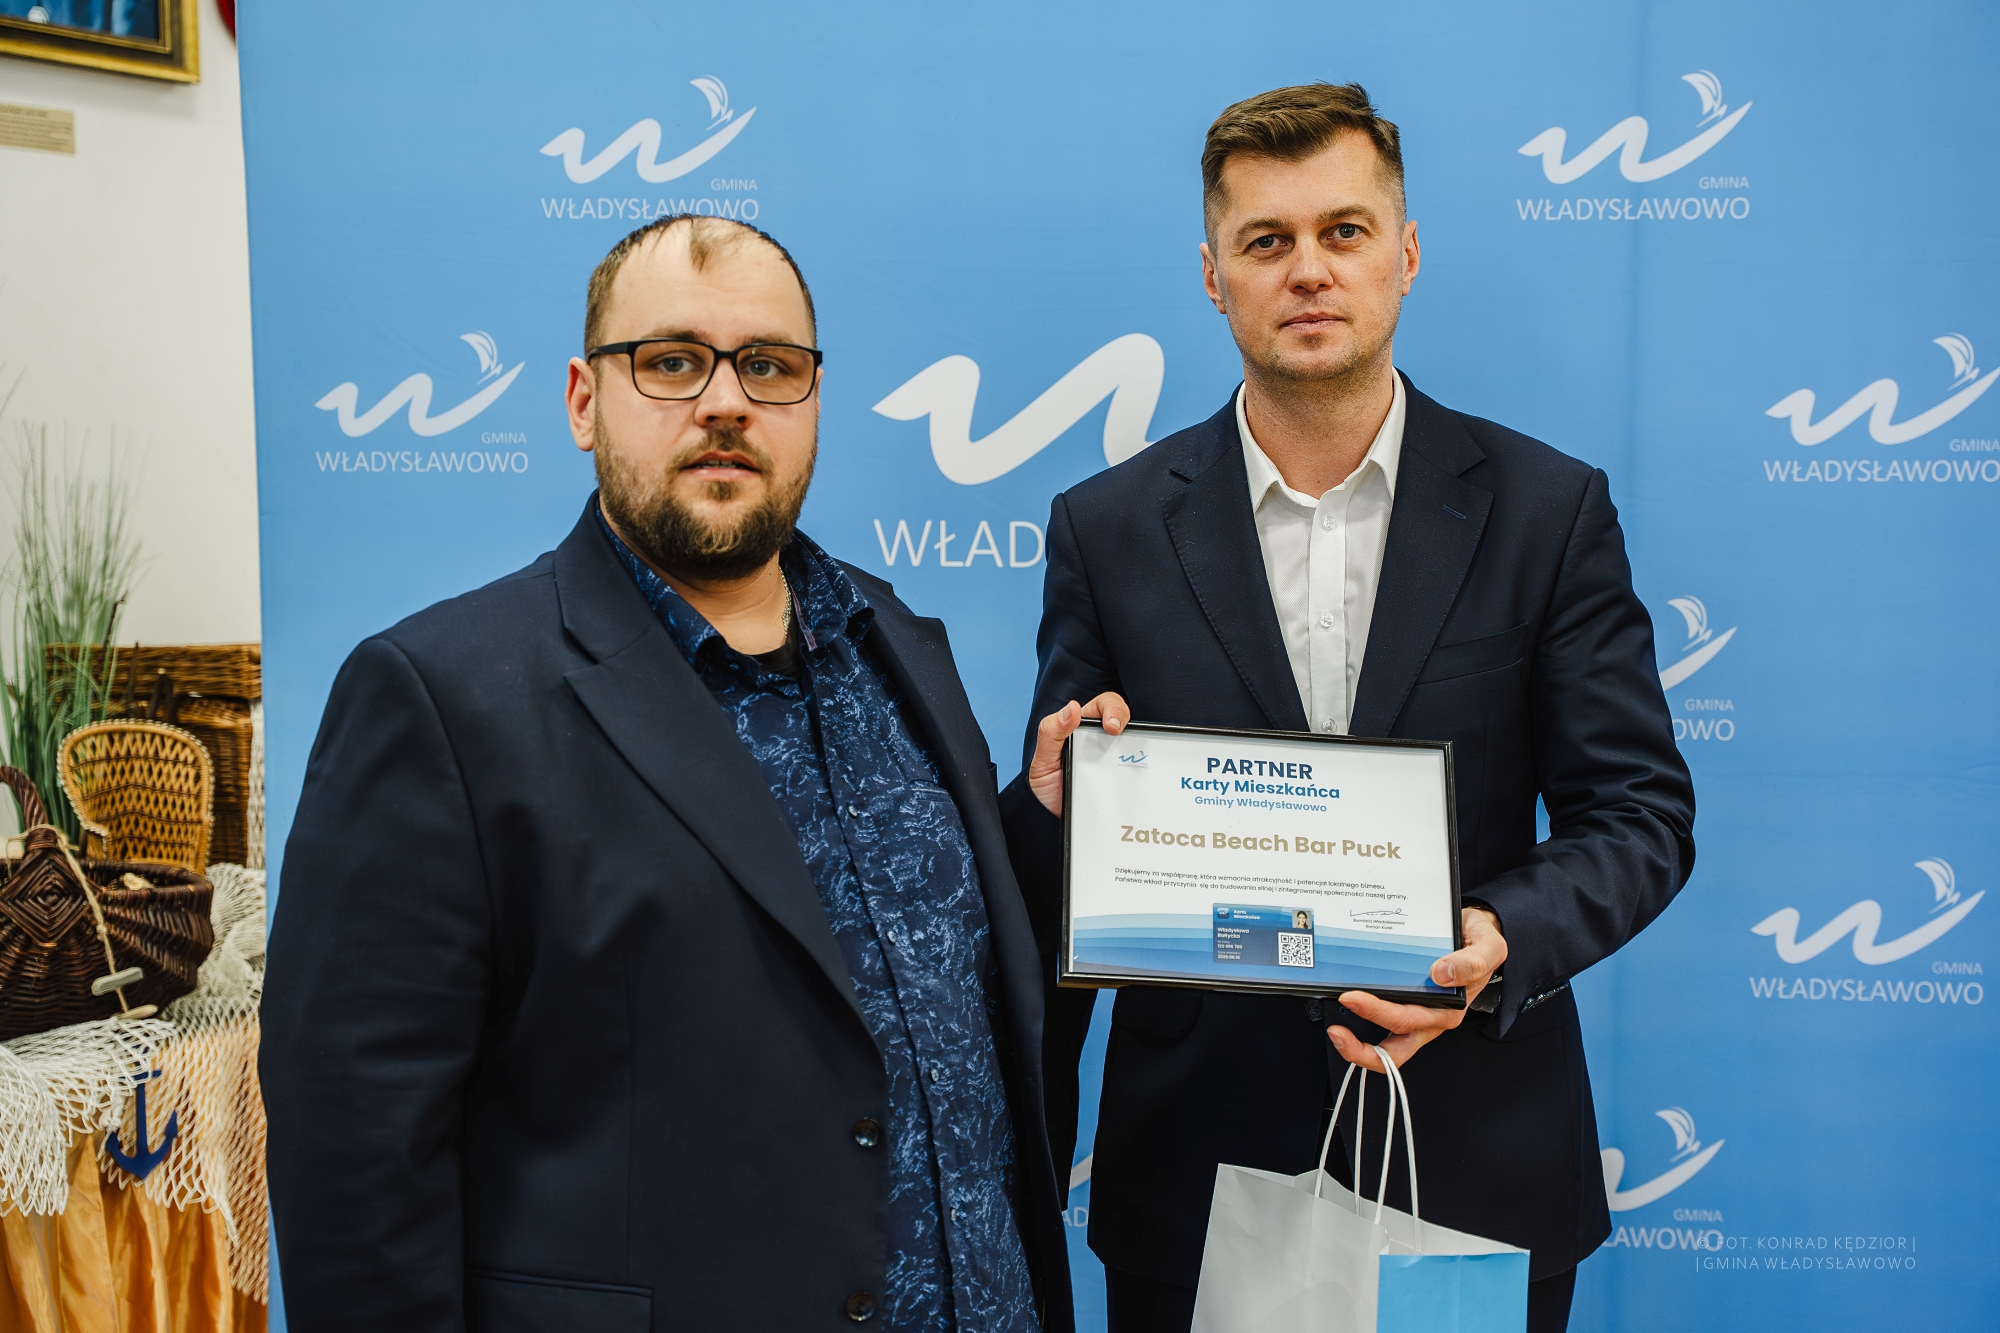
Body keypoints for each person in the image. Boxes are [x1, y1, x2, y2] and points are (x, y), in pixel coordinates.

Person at [264, 214, 1072, 1332]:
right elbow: (356, 1166)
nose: (726, 401)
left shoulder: (898, 641)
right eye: (673, 361)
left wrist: (1047, 820)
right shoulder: (440, 698)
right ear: (582, 401)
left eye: (768, 366)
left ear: (813, 400)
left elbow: (933, 982)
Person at [1000, 84, 1695, 1333]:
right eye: (1265, 241)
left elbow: (1637, 814)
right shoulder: (1105, 531)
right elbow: (1061, 867)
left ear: (1404, 255)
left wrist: (1493, 940)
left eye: (1343, 232)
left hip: (1473, 1163)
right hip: (1193, 1178)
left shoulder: (1545, 511)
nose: (1307, 270)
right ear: (1212, 277)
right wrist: (1052, 805)